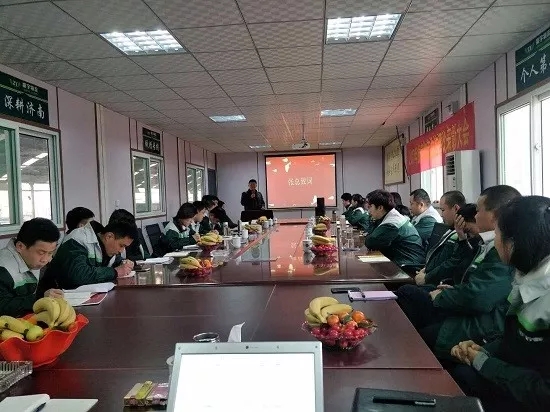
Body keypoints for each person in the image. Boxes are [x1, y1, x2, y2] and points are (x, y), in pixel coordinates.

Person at [396, 185, 521, 360]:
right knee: (409, 300)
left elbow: (478, 296)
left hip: (481, 322)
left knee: (417, 335)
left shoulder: (503, 249)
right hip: (464, 305)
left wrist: (442, 295)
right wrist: (453, 288)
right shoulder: (486, 243)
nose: (475, 215)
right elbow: (469, 278)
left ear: (495, 215)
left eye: (479, 210)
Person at [449, 196, 550, 412]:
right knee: (463, 374)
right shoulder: (527, 275)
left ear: (513, 243)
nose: (495, 241)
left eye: (496, 234)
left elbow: (543, 392)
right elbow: (517, 342)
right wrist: (484, 351)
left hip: (532, 397)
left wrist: (484, 362)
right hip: (519, 377)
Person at [39, 220, 135, 292]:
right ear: (109, 236)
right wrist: (115, 272)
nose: (121, 250)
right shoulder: (78, 239)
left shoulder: (106, 246)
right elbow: (78, 275)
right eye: (121, 245)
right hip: (57, 296)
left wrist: (124, 263)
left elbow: (115, 261)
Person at [0, 218, 63, 317]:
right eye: (41, 253)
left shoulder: (33, 261)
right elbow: (3, 306)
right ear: (20, 246)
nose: (45, 260)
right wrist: (40, 298)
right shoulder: (3, 268)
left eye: (50, 253)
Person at [415, 191, 475, 286]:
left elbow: (451, 263)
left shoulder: (464, 234)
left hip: (438, 282)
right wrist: (426, 269)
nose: (441, 214)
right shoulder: (451, 230)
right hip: (429, 274)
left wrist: (427, 276)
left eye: (443, 210)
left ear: (455, 208)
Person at [364, 189, 425, 268]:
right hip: (402, 260)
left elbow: (371, 242)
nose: (368, 211)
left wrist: (369, 235)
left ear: (380, 207)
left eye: (370, 207)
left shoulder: (391, 223)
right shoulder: (391, 216)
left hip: (408, 265)